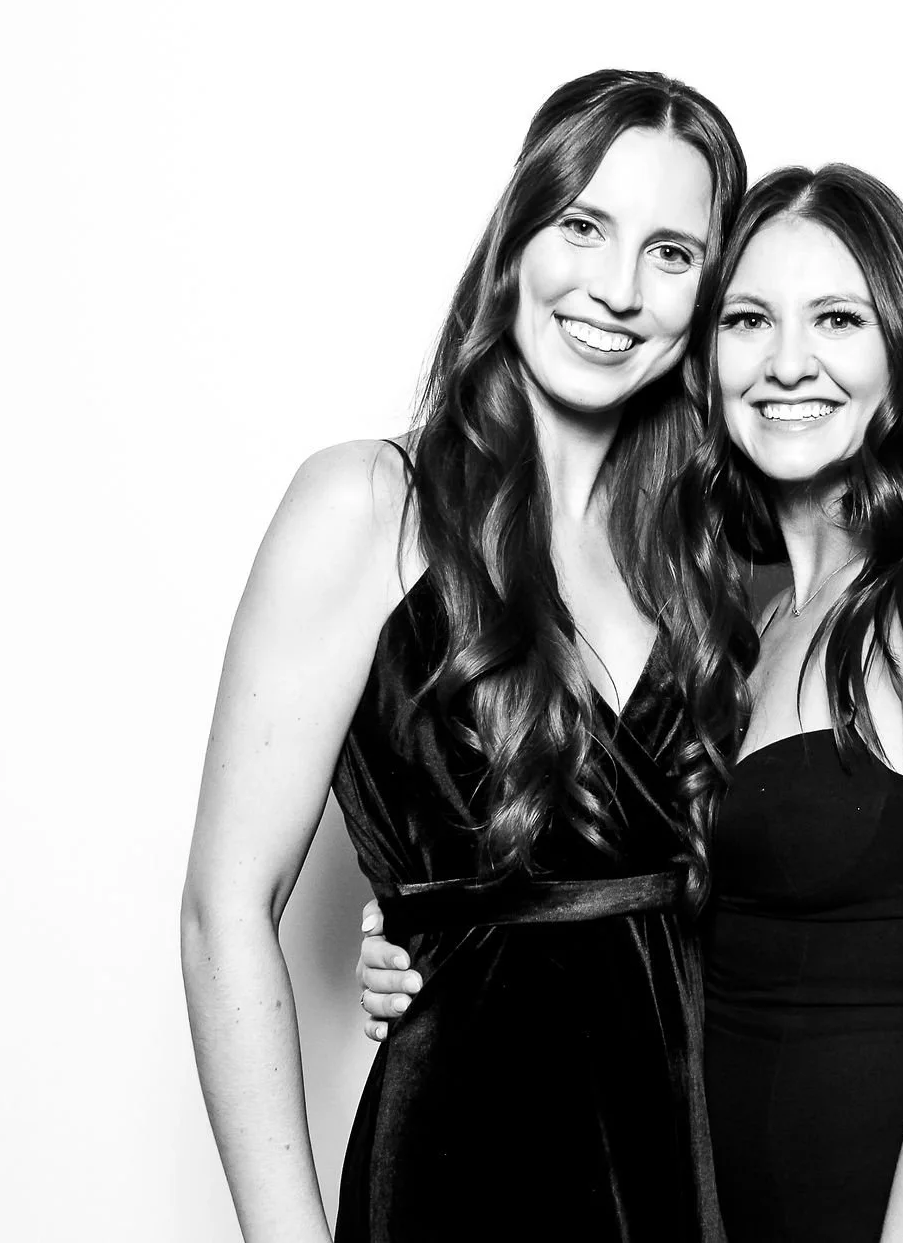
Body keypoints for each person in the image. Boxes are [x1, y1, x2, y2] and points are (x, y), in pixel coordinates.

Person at [361, 164, 903, 1241]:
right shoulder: (734, 632)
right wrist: (431, 935)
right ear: (705, 361)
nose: (788, 362)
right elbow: (629, 899)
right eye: (749, 320)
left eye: (837, 318)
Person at [180, 68, 749, 1243]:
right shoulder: (364, 506)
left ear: (706, 297)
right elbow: (224, 910)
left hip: (684, 1164)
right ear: (516, 238)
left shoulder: (709, 563)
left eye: (671, 253)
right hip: (462, 1169)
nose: (616, 288)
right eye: (583, 226)